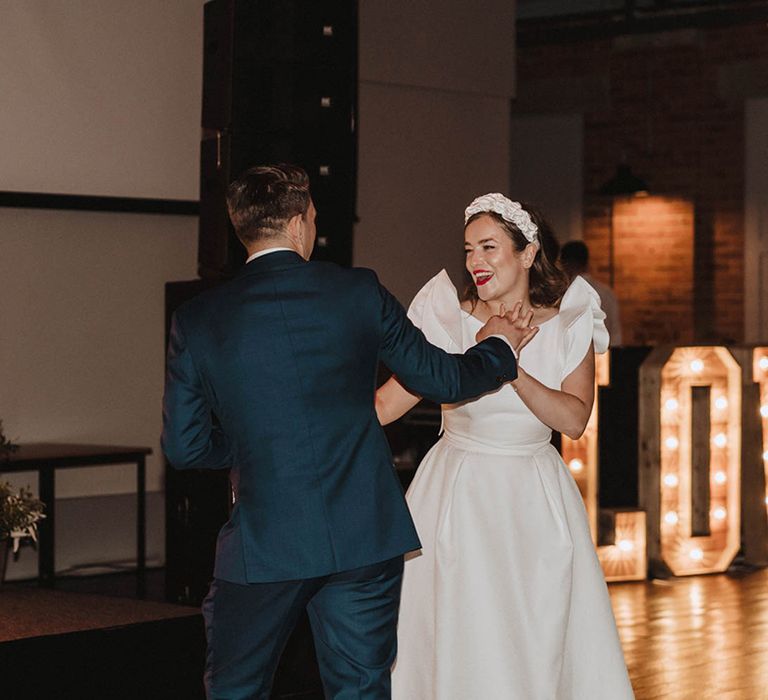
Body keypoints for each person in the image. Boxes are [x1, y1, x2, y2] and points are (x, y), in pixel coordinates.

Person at [161, 165, 538, 699]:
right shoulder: (356, 290)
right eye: (313, 218)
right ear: (297, 224)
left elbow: (186, 446)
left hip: (265, 542)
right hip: (363, 533)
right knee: (360, 690)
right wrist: (498, 347)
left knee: (236, 690)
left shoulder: (198, 319)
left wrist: (248, 448)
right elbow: (443, 378)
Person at [377, 194, 634, 699]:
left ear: (528, 252)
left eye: (489, 247)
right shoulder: (448, 320)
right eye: (469, 249)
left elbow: (575, 419)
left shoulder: (569, 319)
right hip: (456, 493)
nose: (475, 261)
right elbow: (387, 405)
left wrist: (505, 363)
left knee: (532, 632)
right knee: (457, 628)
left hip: (531, 495)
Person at [560, 239, 623, 346]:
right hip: (606, 355)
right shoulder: (607, 292)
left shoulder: (564, 294)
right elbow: (616, 334)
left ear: (566, 264)